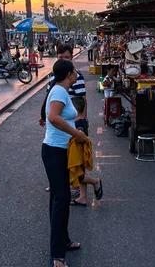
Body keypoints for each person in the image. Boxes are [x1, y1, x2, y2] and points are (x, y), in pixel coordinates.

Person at [40, 59, 86, 267]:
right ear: (69, 74)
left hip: (61, 150)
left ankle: (63, 240)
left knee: (58, 199)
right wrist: (76, 133)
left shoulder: (61, 91)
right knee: (62, 199)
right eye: (74, 71)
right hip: (54, 151)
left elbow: (58, 117)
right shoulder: (59, 91)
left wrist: (76, 132)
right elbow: (52, 117)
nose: (77, 73)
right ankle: (57, 255)